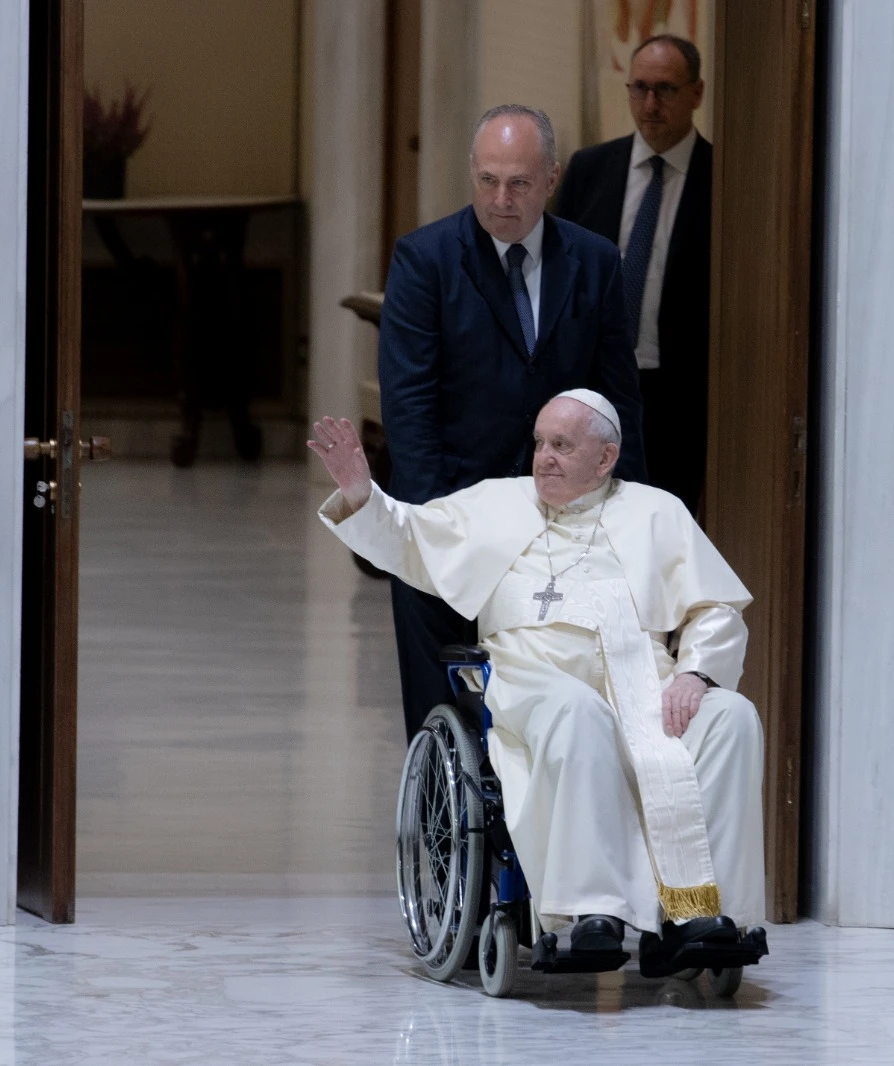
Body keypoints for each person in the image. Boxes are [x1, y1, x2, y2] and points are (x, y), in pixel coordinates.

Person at [307, 390, 763, 954]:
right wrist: (360, 490)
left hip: (646, 681)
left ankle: (697, 910)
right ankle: (592, 911)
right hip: (531, 680)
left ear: (606, 458)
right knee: (579, 713)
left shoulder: (657, 511)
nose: (544, 456)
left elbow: (714, 607)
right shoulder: (494, 504)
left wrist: (697, 675)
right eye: (540, 443)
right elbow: (407, 536)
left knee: (732, 717)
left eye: (563, 445)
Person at [378, 103, 648, 741]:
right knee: (445, 717)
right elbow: (410, 405)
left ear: (552, 179)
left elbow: (617, 399)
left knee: (553, 708)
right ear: (472, 175)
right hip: (450, 515)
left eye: (520, 183)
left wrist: (629, 516)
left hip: (563, 522)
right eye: (488, 180)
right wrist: (444, 526)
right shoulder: (425, 261)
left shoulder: (594, 261)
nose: (502, 199)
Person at [554, 35, 711, 512]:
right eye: (639, 88)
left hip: (678, 394)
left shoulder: (722, 178)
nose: (649, 104)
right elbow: (560, 275)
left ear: (696, 94)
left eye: (664, 89)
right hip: (597, 383)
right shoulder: (590, 169)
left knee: (662, 524)